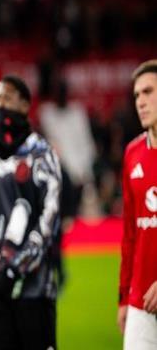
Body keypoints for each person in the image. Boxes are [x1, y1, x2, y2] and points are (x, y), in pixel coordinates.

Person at [0, 75, 61, 350]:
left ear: (24, 105)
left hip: (36, 292)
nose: (0, 105)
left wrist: (14, 270)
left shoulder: (43, 156)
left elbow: (50, 221)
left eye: (7, 98)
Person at [117, 60, 157, 350]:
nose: (140, 102)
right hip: (139, 304)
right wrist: (123, 298)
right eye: (136, 95)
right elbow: (130, 234)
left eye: (148, 92)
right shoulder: (132, 153)